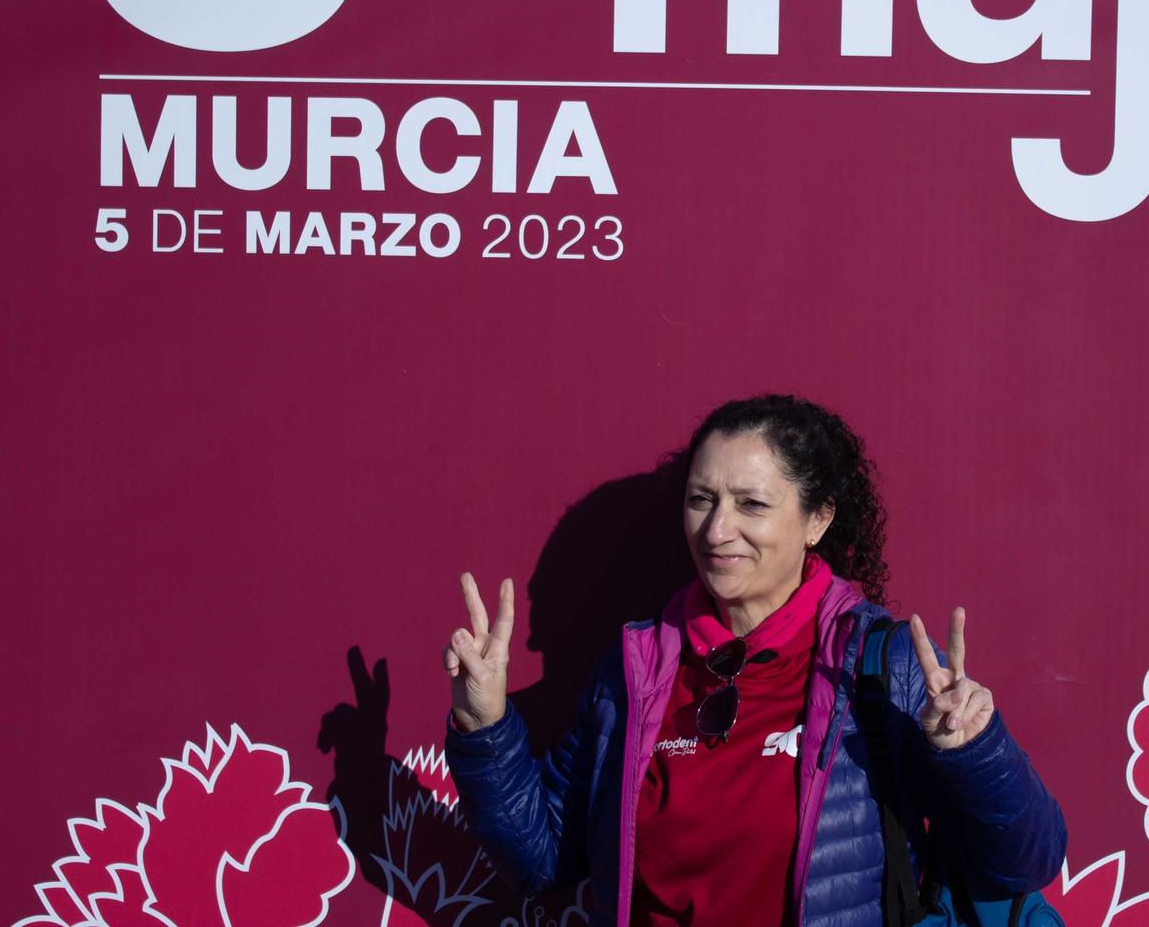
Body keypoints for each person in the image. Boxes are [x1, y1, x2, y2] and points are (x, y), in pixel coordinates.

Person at [441, 394, 1067, 927]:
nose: (716, 530)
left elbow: (1023, 863)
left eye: (752, 505)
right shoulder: (633, 670)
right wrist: (484, 724)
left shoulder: (884, 664)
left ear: (817, 520)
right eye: (701, 499)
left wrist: (973, 751)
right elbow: (543, 858)